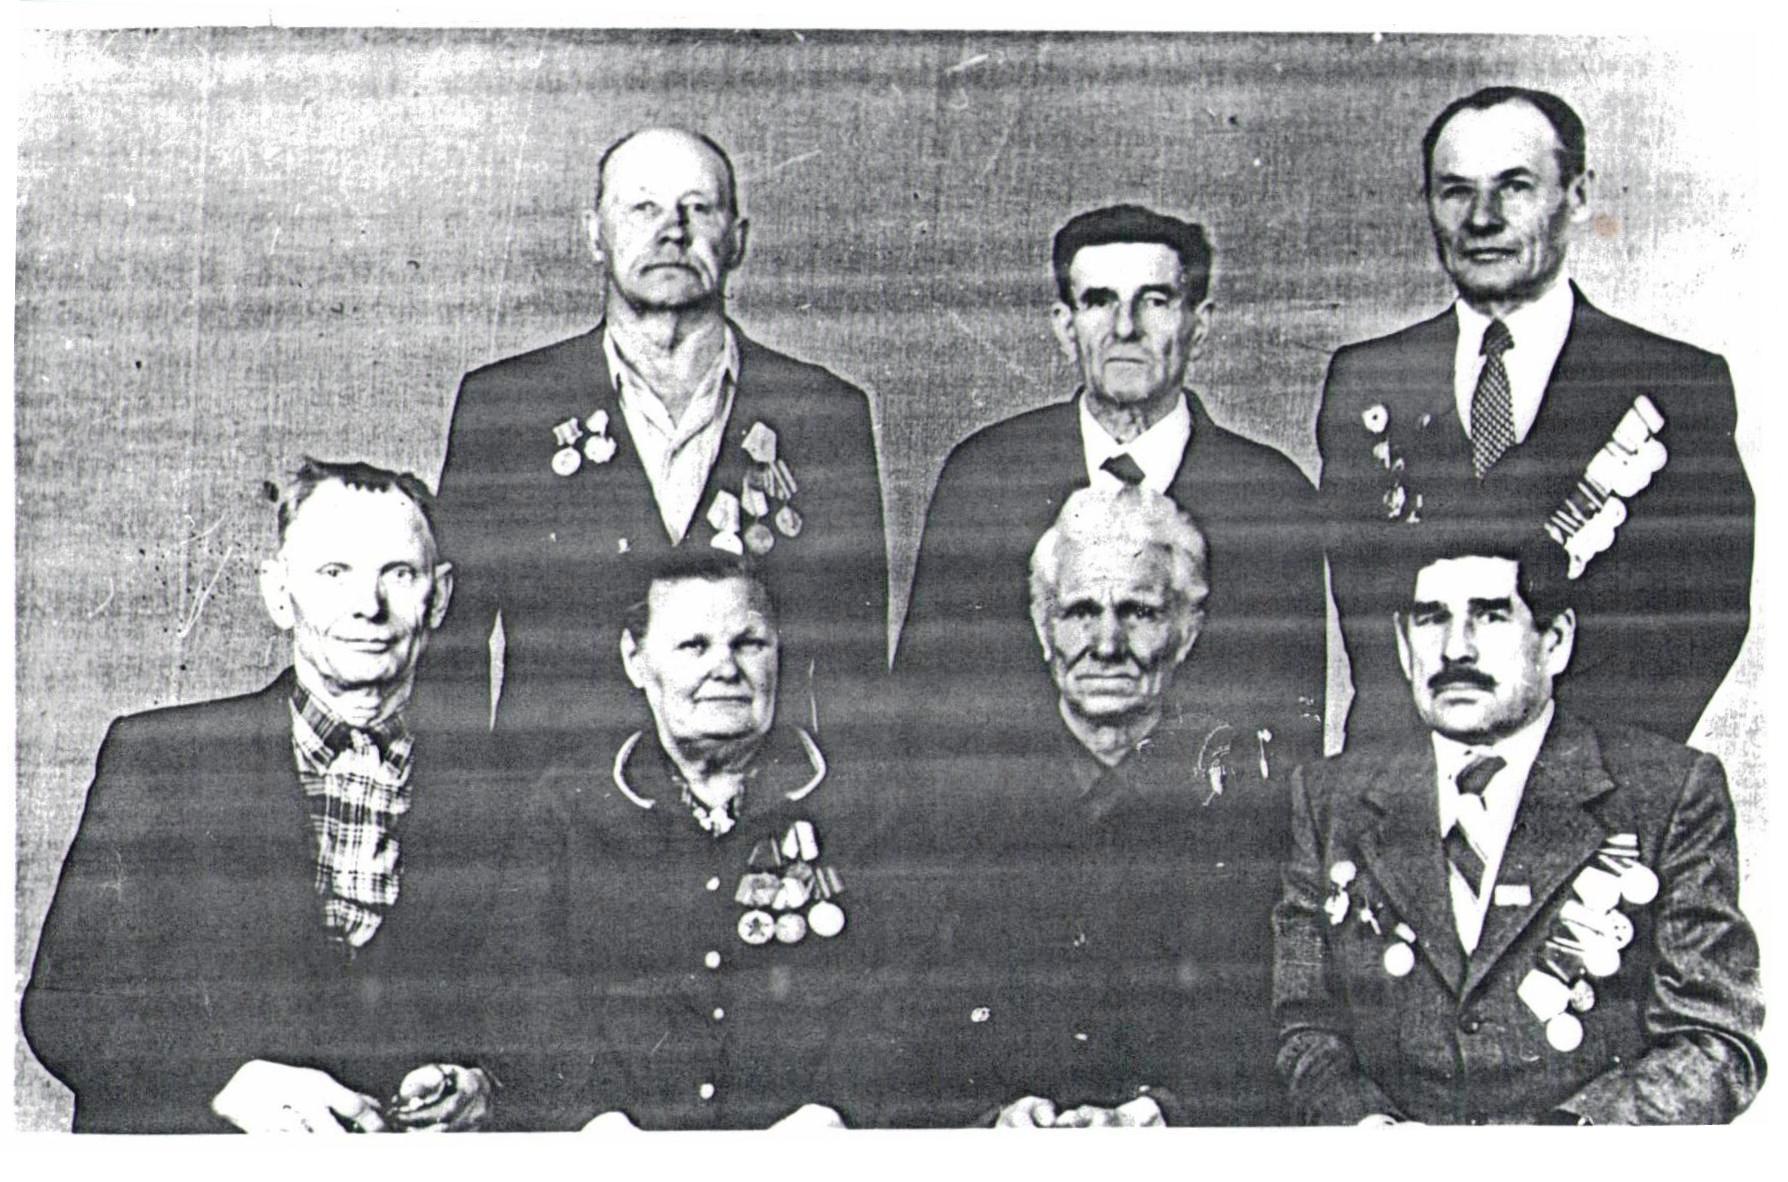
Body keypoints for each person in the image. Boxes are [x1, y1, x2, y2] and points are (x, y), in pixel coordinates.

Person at [22, 459, 506, 1133]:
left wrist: (486, 1086)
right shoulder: (162, 761)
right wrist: (224, 1084)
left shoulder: (506, 790)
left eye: (399, 573)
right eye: (333, 572)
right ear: (279, 593)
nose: (368, 606)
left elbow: (551, 1019)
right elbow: (64, 1008)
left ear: (441, 597)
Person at [1273, 523, 1764, 1124]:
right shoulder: (1330, 799)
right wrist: (1375, 1134)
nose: (1455, 650)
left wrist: (1561, 1147)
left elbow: (1712, 1042)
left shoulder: (1667, 792)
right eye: (1431, 619)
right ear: (1402, 645)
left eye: (1490, 616)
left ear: (1555, 642)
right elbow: (1305, 1029)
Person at [434, 126, 889, 768]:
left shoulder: (824, 415)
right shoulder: (507, 408)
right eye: (642, 207)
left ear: (738, 239)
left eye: (698, 208)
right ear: (594, 234)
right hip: (553, 811)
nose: (672, 230)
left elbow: (856, 679)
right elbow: (451, 659)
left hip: (761, 811)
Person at [1318, 86, 1753, 745]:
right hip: (1405, 783)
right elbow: (1374, 628)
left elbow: (1699, 625)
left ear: (1576, 196)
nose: (1481, 219)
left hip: (1598, 786)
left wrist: (1550, 781)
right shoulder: (1368, 381)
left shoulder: (1676, 385)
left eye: (1514, 188)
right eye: (1455, 192)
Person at [874, 486, 1286, 1127]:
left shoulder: (1245, 816)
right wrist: (991, 1121)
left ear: (1187, 632)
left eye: (1140, 612)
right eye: (1080, 612)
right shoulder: (957, 811)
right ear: (1045, 630)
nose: (1107, 643)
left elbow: (1261, 1033)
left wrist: (1161, 1115)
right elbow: (902, 1031)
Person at [899, 203, 1324, 760]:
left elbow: (1288, 739)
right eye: (1099, 301)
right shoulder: (984, 480)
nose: (1125, 329)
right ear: (1065, 326)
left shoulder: (1271, 498)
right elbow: (919, 721)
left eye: (1155, 301)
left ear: (1199, 327)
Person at [490, 551, 873, 1130]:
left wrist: (834, 1109)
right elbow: (521, 989)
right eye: (694, 646)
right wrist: (593, 1120)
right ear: (635, 660)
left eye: (749, 643)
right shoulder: (569, 804)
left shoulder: (864, 801)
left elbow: (909, 986)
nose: (725, 669)